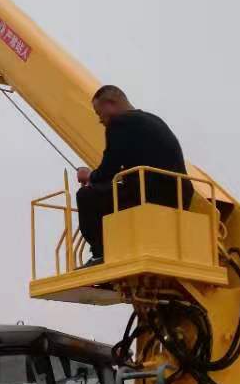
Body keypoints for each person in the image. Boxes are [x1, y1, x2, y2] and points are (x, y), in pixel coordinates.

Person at [75, 85, 192, 265]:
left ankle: (99, 253)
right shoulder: (153, 120)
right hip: (179, 196)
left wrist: (90, 176)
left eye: (99, 113)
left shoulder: (120, 123)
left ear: (110, 104)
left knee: (86, 196)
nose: (100, 120)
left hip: (150, 195)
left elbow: (108, 168)